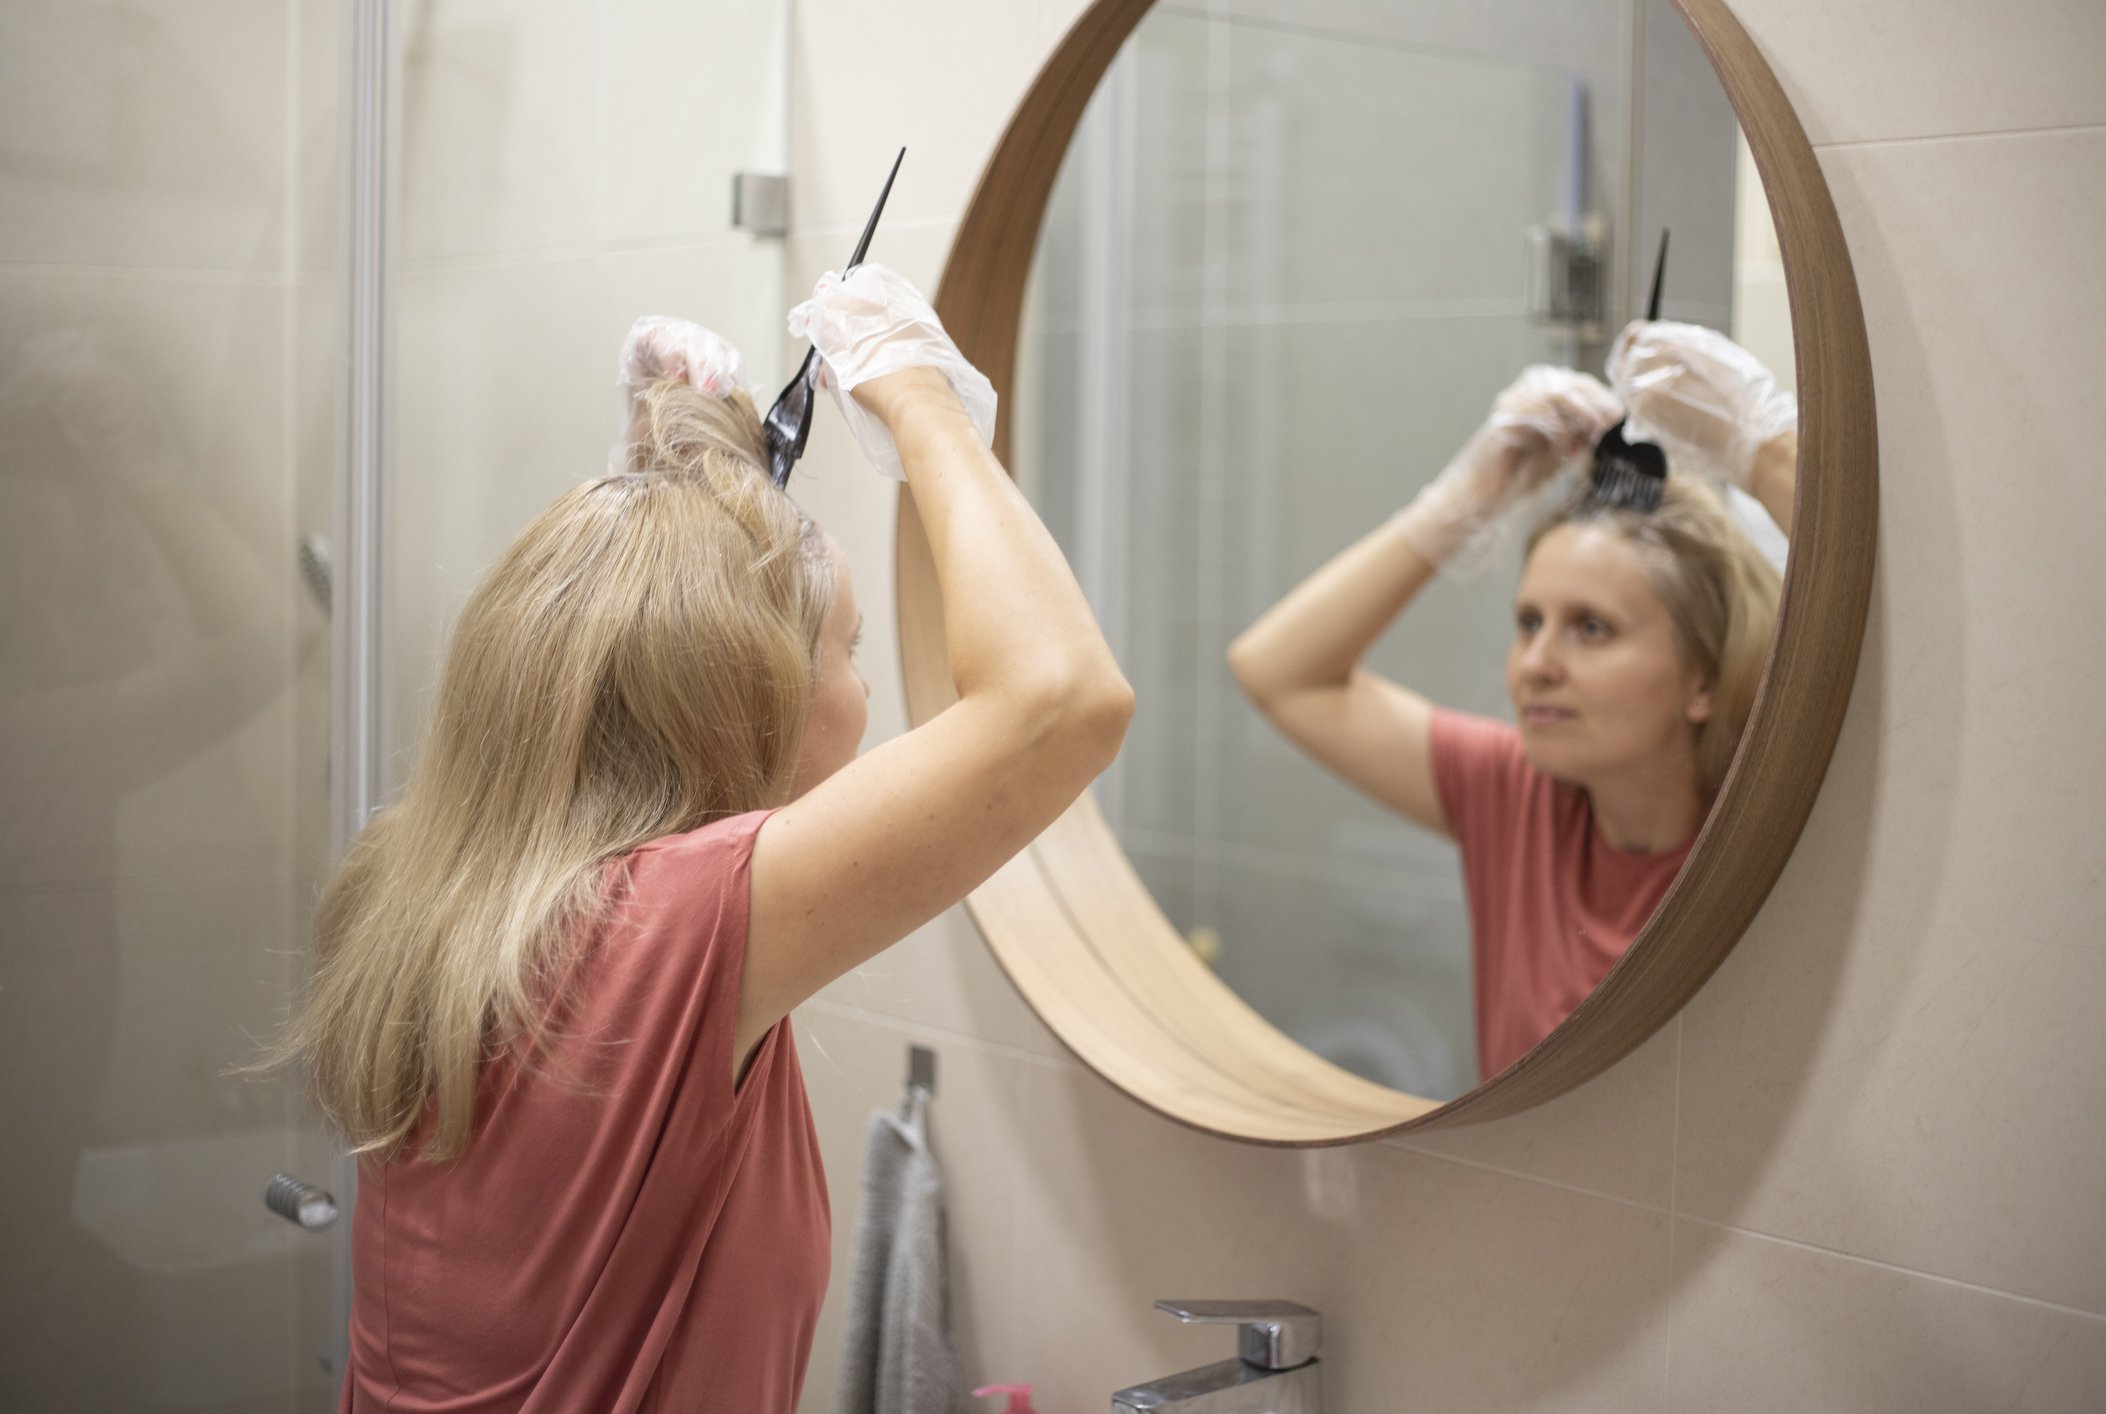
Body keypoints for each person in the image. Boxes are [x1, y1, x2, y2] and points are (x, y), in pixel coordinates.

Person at [266, 267, 1132, 1412]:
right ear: (745, 696)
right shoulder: (671, 919)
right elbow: (1060, 698)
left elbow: (605, 670)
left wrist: (664, 475)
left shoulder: (422, 873)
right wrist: (917, 396)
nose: (864, 692)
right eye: (854, 652)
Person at [1227, 320, 1793, 1082]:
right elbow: (1278, 671)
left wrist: (1766, 452)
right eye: (1528, 622)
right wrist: (1460, 502)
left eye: (1590, 628)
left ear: (1701, 678)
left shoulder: (1774, 834)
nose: (1534, 664)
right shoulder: (1519, 798)